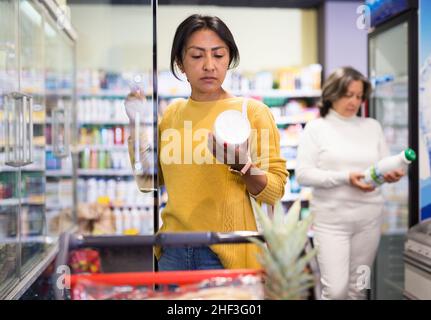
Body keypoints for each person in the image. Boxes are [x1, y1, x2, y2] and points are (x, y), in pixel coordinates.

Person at [125, 14, 288, 271]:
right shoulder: (173, 114)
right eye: (197, 56)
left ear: (229, 60)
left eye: (218, 55)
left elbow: (275, 190)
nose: (209, 65)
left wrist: (242, 166)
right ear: (180, 63)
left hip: (229, 252)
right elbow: (148, 181)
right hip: (173, 251)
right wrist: (135, 124)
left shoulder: (252, 112)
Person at [295, 66, 405, 300]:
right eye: (348, 94)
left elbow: (383, 166)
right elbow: (303, 174)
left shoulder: (371, 127)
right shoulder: (317, 128)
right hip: (331, 223)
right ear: (332, 93)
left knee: (359, 288)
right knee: (335, 291)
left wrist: (390, 174)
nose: (354, 101)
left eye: (359, 95)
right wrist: (346, 177)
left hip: (369, 222)